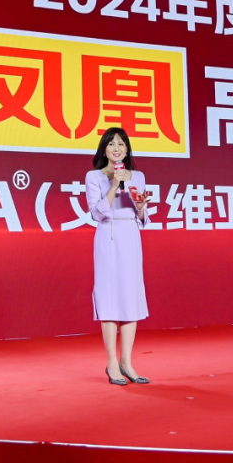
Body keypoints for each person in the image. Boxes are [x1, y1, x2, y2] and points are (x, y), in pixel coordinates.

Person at [86, 127, 152, 386]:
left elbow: (142, 216)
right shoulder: (94, 176)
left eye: (121, 144)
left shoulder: (138, 176)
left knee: (130, 298)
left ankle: (127, 362)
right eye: (112, 143)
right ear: (104, 149)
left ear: (127, 149)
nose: (117, 148)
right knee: (110, 298)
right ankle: (112, 363)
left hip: (130, 236)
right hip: (108, 235)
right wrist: (114, 184)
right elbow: (97, 213)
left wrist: (141, 207)